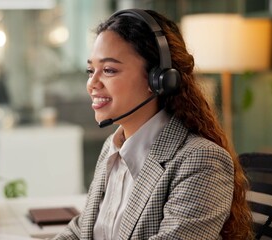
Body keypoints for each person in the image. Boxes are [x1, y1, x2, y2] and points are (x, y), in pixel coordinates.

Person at [53, 8, 252, 240]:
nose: (92, 84)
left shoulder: (201, 160)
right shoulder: (114, 146)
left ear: (157, 79)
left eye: (109, 70)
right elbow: (84, 228)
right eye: (90, 70)